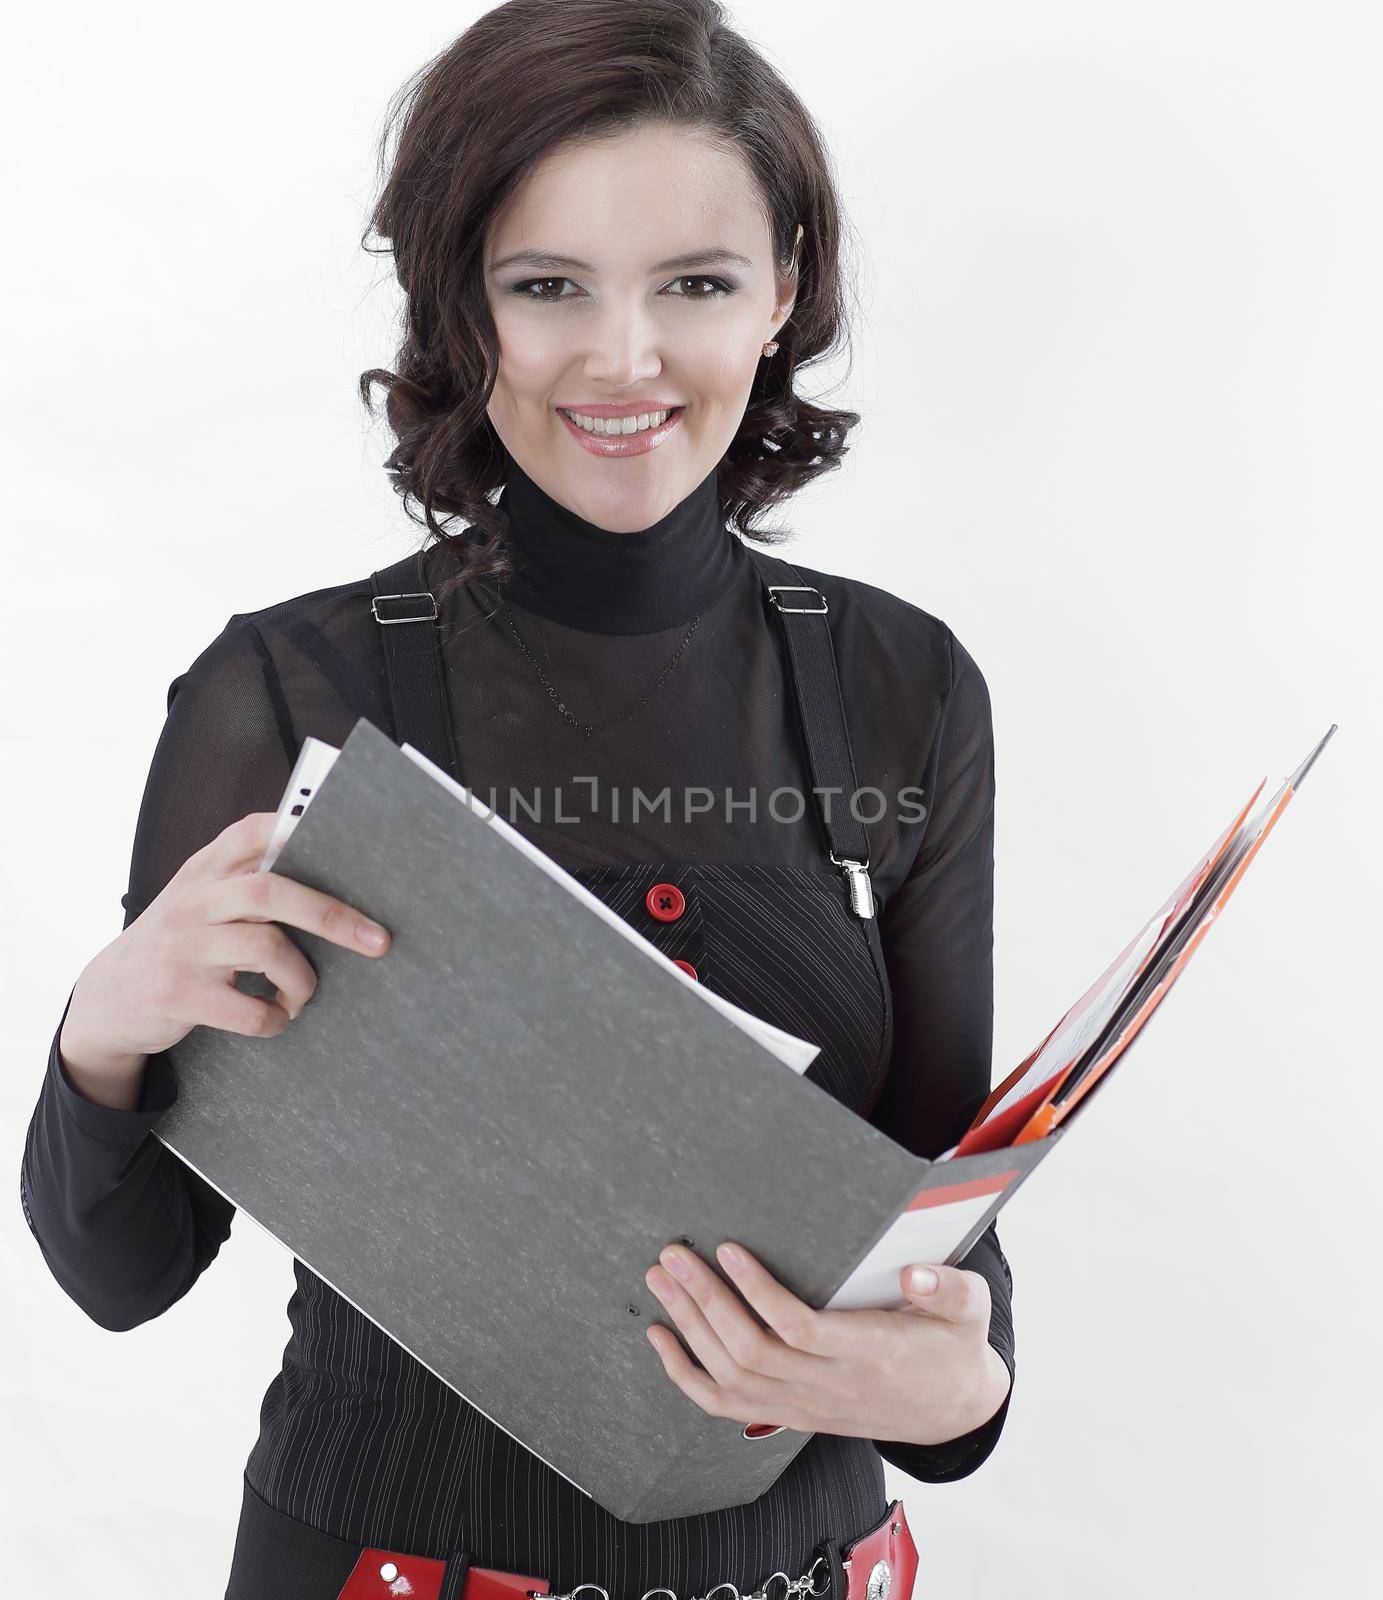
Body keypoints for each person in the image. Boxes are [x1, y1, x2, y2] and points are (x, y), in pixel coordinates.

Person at [19, 2, 1016, 1595]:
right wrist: (105, 1021)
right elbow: (121, 1275)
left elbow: (947, 1259)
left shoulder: (902, 689)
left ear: (783, 294)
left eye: (694, 282)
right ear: (462, 309)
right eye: (548, 286)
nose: (624, 359)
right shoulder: (290, 690)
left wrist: (959, 1389)